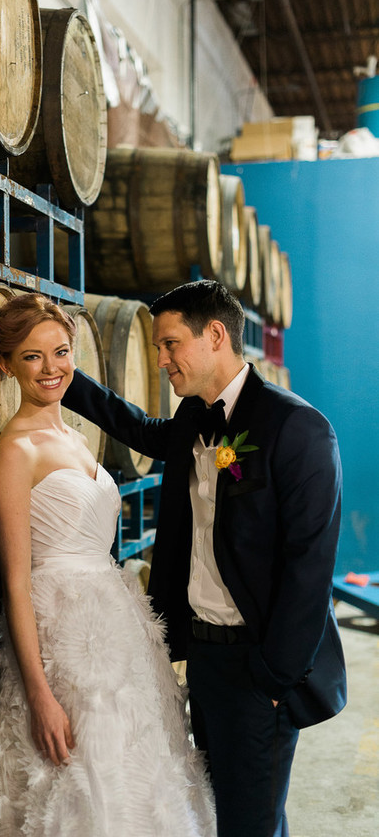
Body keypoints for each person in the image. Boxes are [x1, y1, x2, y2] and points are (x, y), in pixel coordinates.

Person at [61, 279, 346, 837]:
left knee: (250, 823)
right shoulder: (196, 416)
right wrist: (65, 379)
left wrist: (273, 678)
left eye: (170, 344)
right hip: (207, 658)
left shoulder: (297, 429)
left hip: (258, 667)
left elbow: (310, 569)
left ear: (215, 335)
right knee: (227, 814)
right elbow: (139, 429)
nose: (162, 359)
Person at [0, 292, 215, 837]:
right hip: (64, 646)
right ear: (4, 363)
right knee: (87, 789)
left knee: (146, 778)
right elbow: (15, 583)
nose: (51, 368)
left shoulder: (78, 440)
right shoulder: (15, 450)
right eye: (32, 356)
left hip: (119, 632)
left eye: (60, 352)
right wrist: (40, 693)